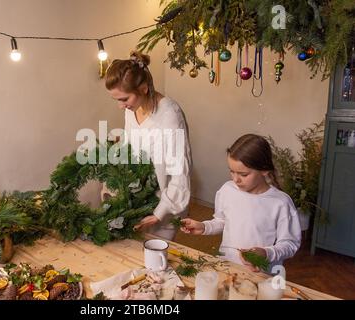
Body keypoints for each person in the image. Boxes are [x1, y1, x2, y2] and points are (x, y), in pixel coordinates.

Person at [181, 134, 301, 272]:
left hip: (259, 274)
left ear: (264, 170)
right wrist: (204, 227)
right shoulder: (227, 190)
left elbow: (290, 244)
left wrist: (266, 253)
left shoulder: (280, 203)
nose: (236, 180)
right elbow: (222, 221)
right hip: (226, 266)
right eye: (232, 172)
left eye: (243, 175)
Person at [105, 51, 192, 241]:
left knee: (156, 258)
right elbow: (129, 148)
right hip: (138, 197)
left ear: (144, 88)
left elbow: (179, 172)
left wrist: (160, 212)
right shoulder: (131, 110)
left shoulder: (170, 115)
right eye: (117, 100)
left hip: (163, 203)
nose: (121, 106)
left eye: (124, 99)